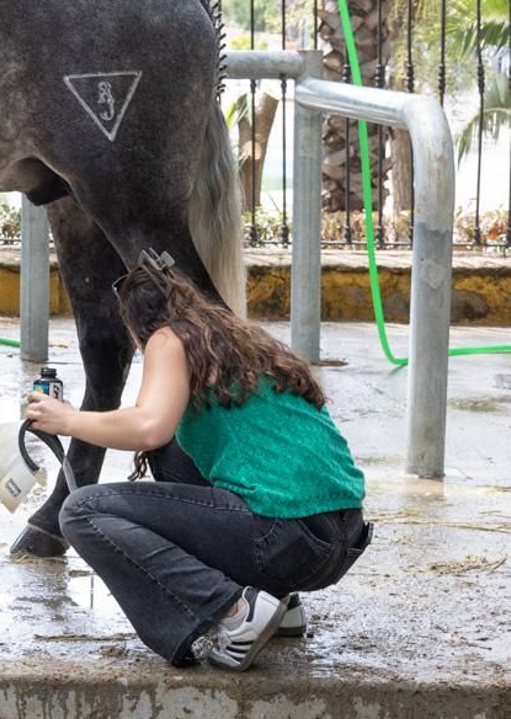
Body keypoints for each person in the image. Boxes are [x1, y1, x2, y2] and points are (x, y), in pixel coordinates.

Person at [24, 250, 371, 671]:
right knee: (173, 454)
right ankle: (278, 601)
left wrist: (70, 421)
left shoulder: (169, 338)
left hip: (282, 538)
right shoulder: (241, 344)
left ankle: (233, 612)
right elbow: (165, 437)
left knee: (82, 511)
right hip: (337, 540)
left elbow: (150, 425)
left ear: (136, 324)